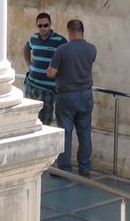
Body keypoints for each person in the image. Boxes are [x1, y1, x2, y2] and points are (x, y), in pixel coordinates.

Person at [46, 18, 97, 176]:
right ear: (82, 31)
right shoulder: (92, 49)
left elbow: (51, 73)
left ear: (70, 32)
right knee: (84, 132)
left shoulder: (62, 50)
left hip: (67, 95)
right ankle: (85, 168)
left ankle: (65, 168)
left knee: (65, 132)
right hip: (86, 94)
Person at [22, 12, 65, 124]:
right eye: (40, 26)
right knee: (27, 119)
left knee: (44, 122)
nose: (43, 28)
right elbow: (26, 49)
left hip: (47, 90)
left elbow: (67, 58)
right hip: (31, 85)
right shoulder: (34, 38)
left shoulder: (60, 41)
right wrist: (29, 64)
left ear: (50, 24)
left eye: (45, 25)